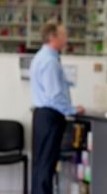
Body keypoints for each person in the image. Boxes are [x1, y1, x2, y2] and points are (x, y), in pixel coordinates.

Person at [30, 21, 85, 194]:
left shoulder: (40, 57)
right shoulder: (50, 62)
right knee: (47, 163)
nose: (65, 37)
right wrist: (72, 109)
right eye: (62, 34)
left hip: (41, 115)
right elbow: (54, 96)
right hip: (50, 117)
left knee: (40, 162)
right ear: (53, 37)